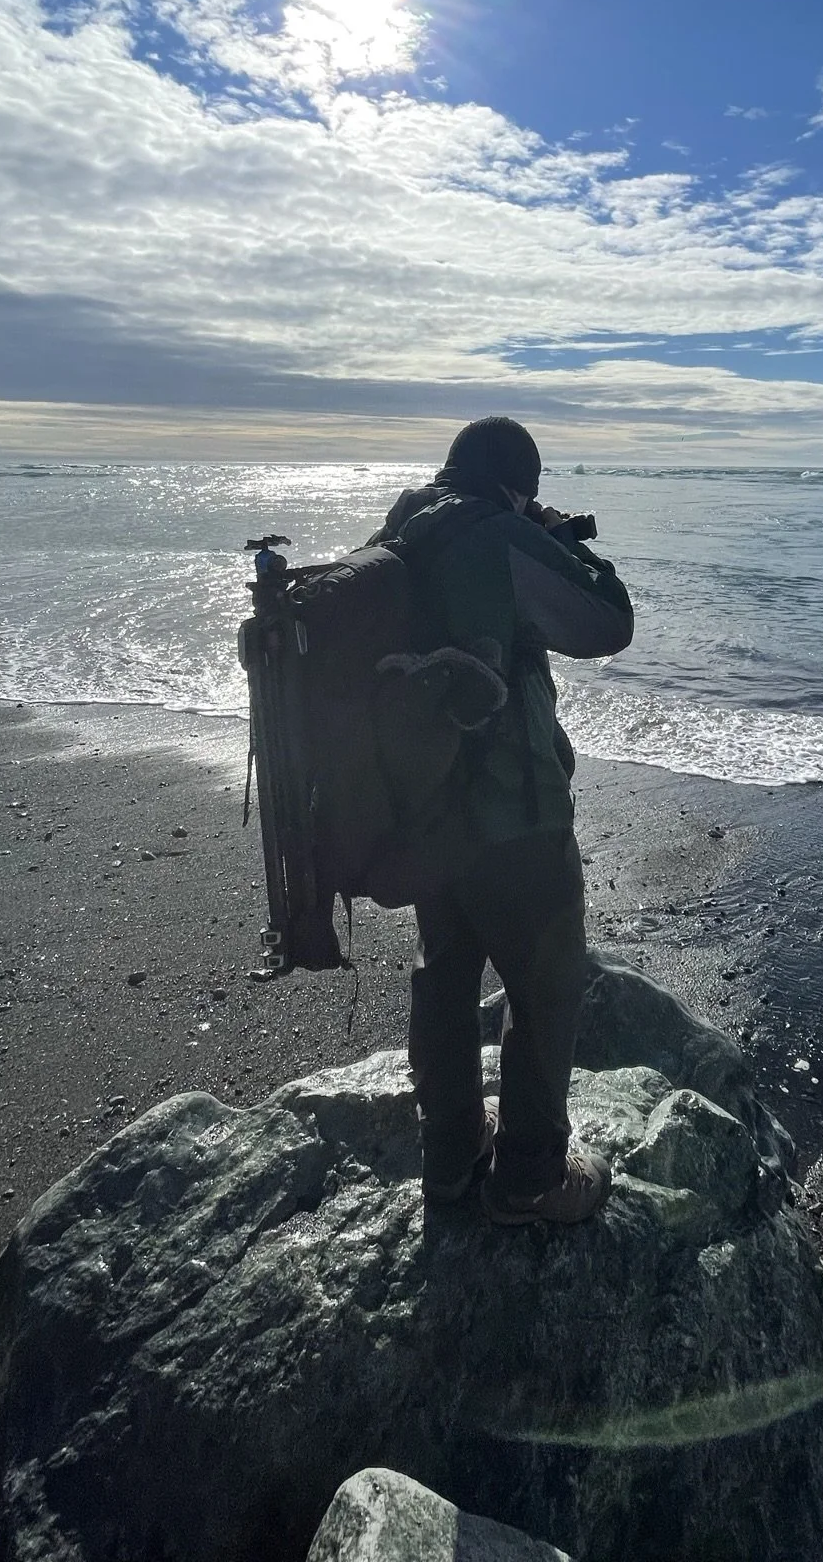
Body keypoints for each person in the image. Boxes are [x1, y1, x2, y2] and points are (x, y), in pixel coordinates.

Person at [369, 416, 634, 1224]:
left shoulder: (406, 523)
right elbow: (607, 622)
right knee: (547, 988)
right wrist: (562, 541)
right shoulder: (497, 535)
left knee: (445, 977)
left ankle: (450, 1158)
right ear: (519, 485)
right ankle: (530, 1179)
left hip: (428, 806)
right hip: (513, 811)